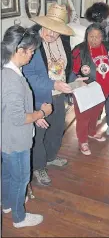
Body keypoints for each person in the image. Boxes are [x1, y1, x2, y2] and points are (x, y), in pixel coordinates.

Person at [1, 25, 52, 228]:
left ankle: (7, 204)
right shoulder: (13, 80)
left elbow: (13, 109)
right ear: (18, 50)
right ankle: (19, 218)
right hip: (16, 139)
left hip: (5, 137)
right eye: (30, 51)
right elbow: (17, 118)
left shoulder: (8, 71)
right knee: (21, 178)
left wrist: (34, 117)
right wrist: (42, 113)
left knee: (6, 174)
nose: (31, 55)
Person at [23, 4, 75, 186]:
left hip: (59, 94)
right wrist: (54, 84)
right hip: (39, 97)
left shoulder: (64, 40)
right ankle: (38, 166)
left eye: (57, 31)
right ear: (43, 25)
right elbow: (29, 77)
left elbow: (66, 65)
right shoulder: (31, 44)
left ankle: (51, 157)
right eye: (49, 29)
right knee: (38, 134)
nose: (52, 35)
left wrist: (74, 79)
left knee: (56, 128)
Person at [70, 23, 109, 155]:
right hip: (85, 89)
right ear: (87, 36)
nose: (94, 39)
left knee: (95, 114)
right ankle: (82, 141)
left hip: (103, 89)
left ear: (102, 37)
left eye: (97, 37)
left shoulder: (107, 46)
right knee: (83, 116)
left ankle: (91, 132)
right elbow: (73, 72)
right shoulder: (79, 50)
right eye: (91, 36)